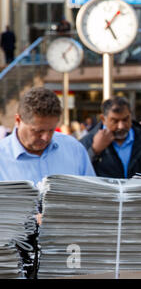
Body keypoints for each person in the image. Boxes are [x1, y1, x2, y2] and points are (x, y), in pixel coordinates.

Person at [0, 87, 96, 278]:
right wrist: (28, 221)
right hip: (13, 264)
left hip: (68, 259)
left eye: (51, 130)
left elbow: (93, 199)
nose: (45, 137)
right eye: (38, 131)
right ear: (18, 120)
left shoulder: (74, 150)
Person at [80, 96, 141, 178]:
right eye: (115, 121)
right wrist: (94, 151)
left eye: (125, 119)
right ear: (103, 119)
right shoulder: (86, 142)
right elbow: (78, 172)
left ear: (131, 115)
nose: (121, 126)